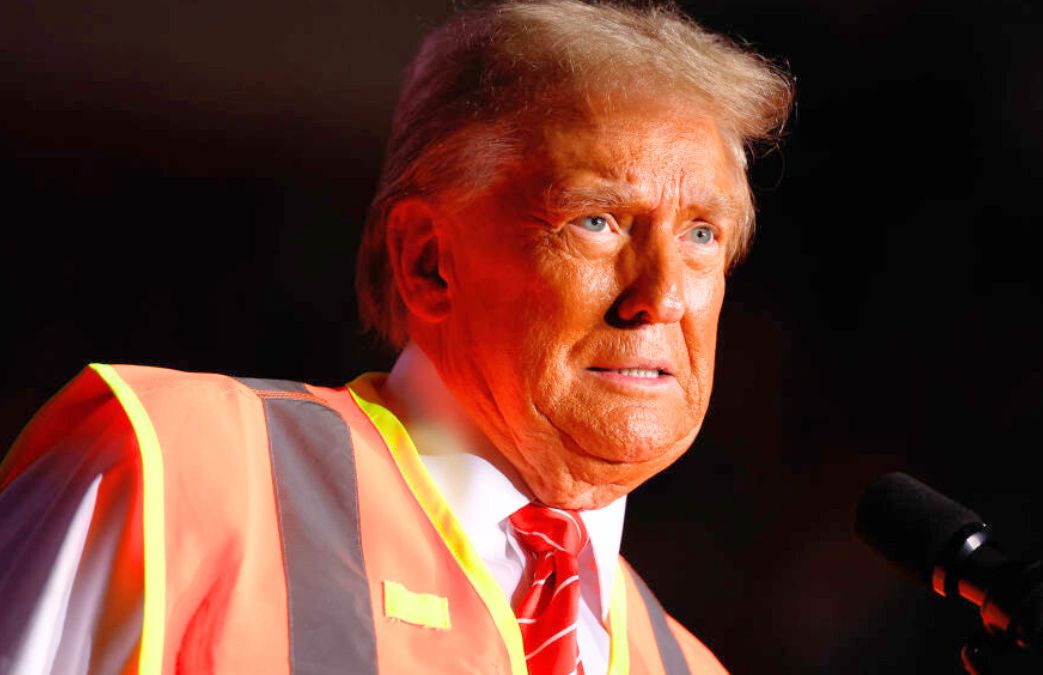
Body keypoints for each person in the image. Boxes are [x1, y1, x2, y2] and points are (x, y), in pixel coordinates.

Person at [0, 1, 793, 673]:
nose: (660, 296)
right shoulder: (171, 466)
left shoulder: (685, 663)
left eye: (701, 235)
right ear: (428, 263)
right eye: (596, 221)